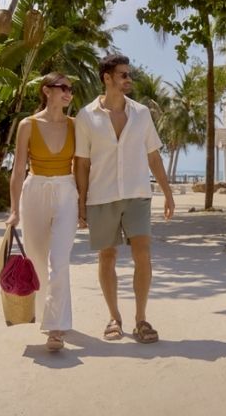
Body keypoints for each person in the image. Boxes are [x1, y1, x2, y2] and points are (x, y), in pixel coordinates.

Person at [75, 54, 175, 344]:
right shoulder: (86, 116)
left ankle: (141, 319)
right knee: (107, 256)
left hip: (137, 194)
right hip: (101, 196)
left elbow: (153, 155)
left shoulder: (142, 113)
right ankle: (114, 317)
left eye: (129, 74)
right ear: (107, 78)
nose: (129, 79)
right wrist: (81, 203)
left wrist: (167, 193)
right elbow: (81, 163)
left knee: (143, 255)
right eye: (123, 75)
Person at [5, 72, 79, 352]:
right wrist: (14, 211)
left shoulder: (75, 126)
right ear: (47, 91)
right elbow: (18, 169)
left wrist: (83, 207)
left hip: (66, 191)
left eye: (70, 89)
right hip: (34, 191)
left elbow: (83, 167)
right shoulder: (28, 125)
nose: (68, 93)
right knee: (36, 259)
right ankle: (49, 314)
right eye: (63, 88)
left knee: (59, 259)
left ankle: (56, 328)